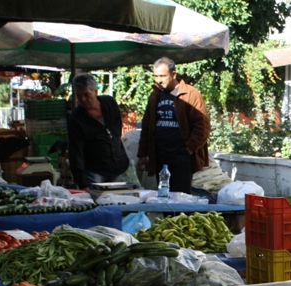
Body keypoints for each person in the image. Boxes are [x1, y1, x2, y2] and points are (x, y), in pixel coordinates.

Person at [137, 57, 210, 194]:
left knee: (180, 199)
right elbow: (147, 126)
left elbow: (203, 127)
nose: (159, 80)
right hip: (159, 156)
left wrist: (187, 149)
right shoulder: (155, 95)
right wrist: (143, 154)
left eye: (163, 76)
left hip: (180, 157)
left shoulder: (190, 94)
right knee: (163, 197)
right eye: (156, 76)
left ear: (173, 74)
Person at [67, 74, 130, 190]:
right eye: (79, 96)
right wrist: (82, 183)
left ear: (95, 92)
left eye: (86, 95)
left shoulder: (110, 103)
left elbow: (117, 129)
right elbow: (75, 152)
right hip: (95, 171)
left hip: (119, 166)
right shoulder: (76, 118)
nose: (83, 99)